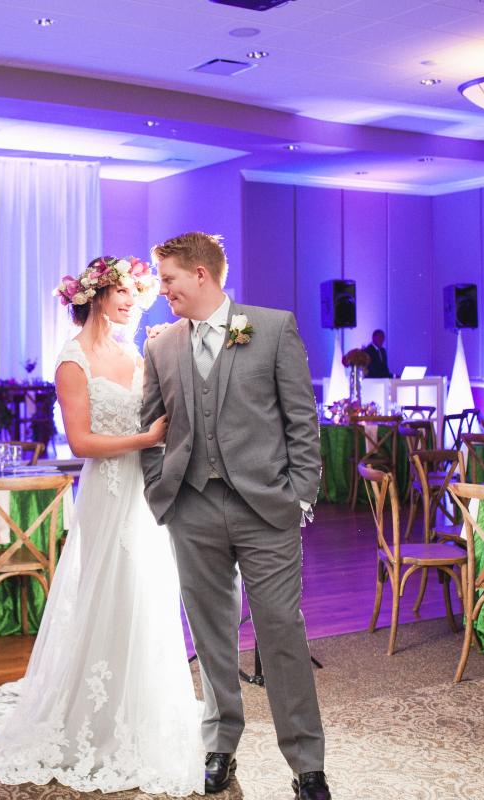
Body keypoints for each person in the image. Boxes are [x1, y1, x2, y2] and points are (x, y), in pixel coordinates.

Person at [0, 255, 204, 797]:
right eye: (121, 291)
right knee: (109, 589)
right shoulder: (73, 360)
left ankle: (143, 701)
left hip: (145, 491)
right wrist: (147, 440)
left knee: (146, 590)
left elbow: (162, 410)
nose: (130, 301)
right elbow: (80, 444)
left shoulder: (136, 352)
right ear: (95, 295)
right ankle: (89, 714)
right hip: (106, 491)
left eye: (135, 293)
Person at [141, 232, 330, 800]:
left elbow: (302, 420)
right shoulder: (162, 345)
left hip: (265, 509)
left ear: (202, 274)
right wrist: (162, 488)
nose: (162, 290)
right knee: (210, 633)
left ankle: (307, 765)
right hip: (191, 510)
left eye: (169, 279)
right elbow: (153, 430)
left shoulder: (270, 327)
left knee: (282, 631)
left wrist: (299, 494)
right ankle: (219, 746)